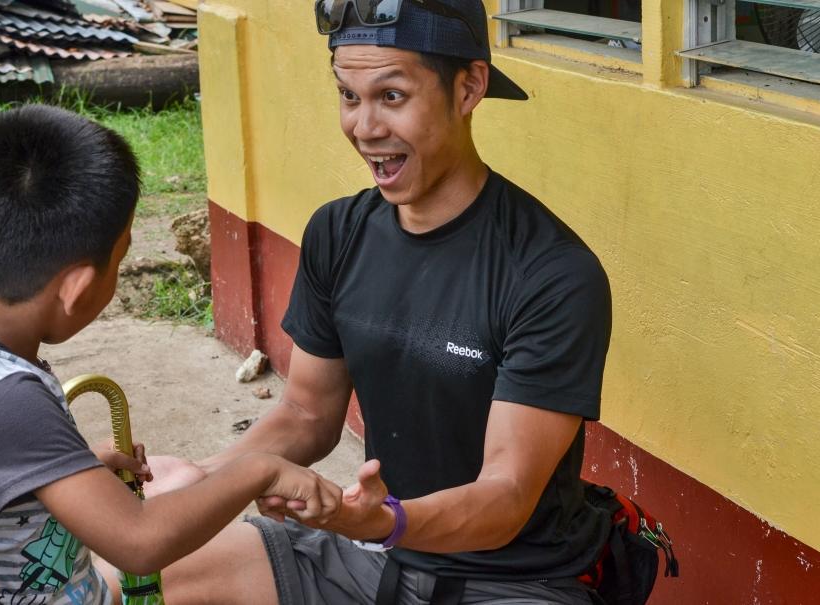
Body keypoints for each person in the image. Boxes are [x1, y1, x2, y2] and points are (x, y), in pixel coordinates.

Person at [166, 1, 616, 603]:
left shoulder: (550, 273)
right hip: (374, 557)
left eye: (392, 96)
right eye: (349, 97)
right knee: (140, 579)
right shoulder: (337, 232)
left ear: (468, 88)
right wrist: (204, 480)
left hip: (515, 581)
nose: (365, 127)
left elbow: (505, 495)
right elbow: (305, 414)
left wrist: (384, 521)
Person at [0, 104, 343, 605]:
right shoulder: (10, 402)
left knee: (186, 496)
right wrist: (260, 469)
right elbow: (141, 543)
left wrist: (68, 469)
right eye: (120, 258)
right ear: (77, 288)